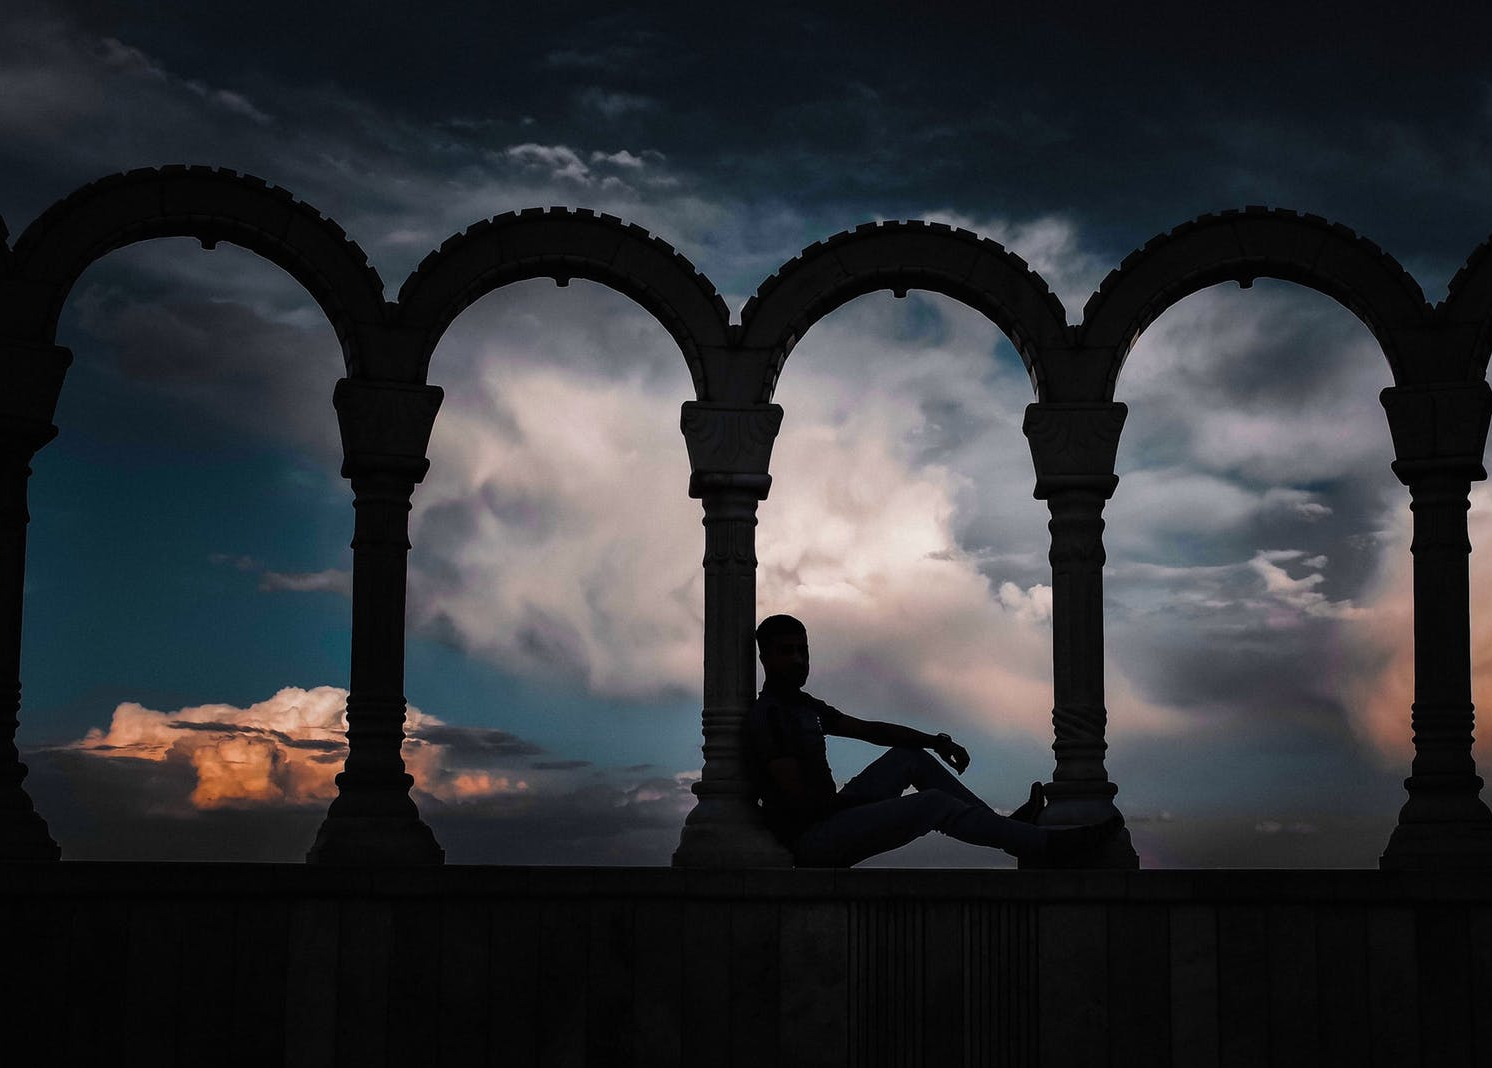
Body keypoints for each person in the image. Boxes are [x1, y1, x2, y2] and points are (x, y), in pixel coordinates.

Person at [744, 613, 1122, 867]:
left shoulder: (803, 705)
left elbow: (869, 730)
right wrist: (854, 809)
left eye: (802, 650)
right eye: (786, 652)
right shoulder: (771, 715)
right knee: (932, 805)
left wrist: (935, 741)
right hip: (813, 840)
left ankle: (1013, 832)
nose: (798, 660)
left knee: (910, 757)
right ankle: (1045, 847)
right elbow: (799, 804)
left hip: (833, 816)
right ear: (764, 658)